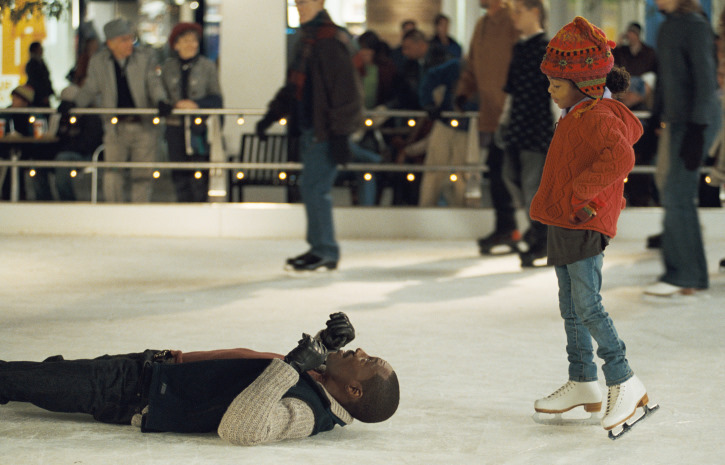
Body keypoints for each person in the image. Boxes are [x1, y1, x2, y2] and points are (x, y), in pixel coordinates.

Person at [0, 313, 400, 446]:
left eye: (367, 361)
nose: (361, 352)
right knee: (37, 374)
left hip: (130, 393)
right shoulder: (317, 380)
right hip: (151, 367)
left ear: (353, 391)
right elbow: (271, 375)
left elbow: (241, 428)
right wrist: (327, 344)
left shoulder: (308, 415)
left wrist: (294, 365)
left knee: (13, 379)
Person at [530, 17, 656, 438]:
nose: (550, 91)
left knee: (588, 305)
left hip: (583, 221)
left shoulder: (598, 115)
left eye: (557, 84)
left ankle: (624, 380)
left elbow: (620, 160)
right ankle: (583, 379)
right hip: (565, 220)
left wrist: (581, 194)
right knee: (569, 304)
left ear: (584, 82)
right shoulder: (576, 112)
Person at [256, 0, 363, 272]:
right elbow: (293, 87)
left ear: (320, 2)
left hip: (323, 131)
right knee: (312, 189)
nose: (299, 6)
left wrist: (339, 135)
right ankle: (320, 248)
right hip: (309, 129)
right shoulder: (307, 38)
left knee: (315, 189)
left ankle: (325, 249)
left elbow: (345, 91)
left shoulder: (329, 40)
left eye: (303, 2)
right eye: (296, 2)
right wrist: (270, 117)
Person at [643, 0, 719, 296]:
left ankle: (685, 274)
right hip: (677, 121)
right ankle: (687, 273)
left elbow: (704, 79)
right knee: (672, 191)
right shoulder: (668, 27)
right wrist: (654, 121)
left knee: (677, 193)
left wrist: (698, 130)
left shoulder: (695, 27)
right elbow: (664, 80)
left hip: (694, 122)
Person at [64, 18, 168, 203]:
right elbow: (90, 87)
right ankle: (114, 212)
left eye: (130, 38)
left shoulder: (144, 58)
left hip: (142, 125)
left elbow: (153, 83)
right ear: (111, 43)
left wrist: (161, 101)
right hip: (115, 126)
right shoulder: (99, 62)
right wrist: (74, 104)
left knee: (143, 174)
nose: (129, 44)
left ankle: (139, 213)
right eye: (124, 40)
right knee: (113, 172)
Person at [454, 0, 520, 254]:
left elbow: (526, 64)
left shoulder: (513, 21)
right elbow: (472, 65)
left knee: (518, 175)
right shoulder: (482, 25)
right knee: (497, 174)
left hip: (513, 114)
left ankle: (534, 232)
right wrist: (463, 92)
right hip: (492, 116)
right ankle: (508, 228)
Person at [499, 0, 555, 267]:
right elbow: (511, 90)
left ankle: (541, 238)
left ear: (535, 12)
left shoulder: (548, 49)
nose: (514, 18)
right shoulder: (519, 47)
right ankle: (539, 231)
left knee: (532, 183)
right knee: (511, 177)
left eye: (518, 12)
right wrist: (505, 120)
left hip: (537, 127)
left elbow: (556, 92)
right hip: (518, 125)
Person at [160, 22, 223, 203]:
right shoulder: (168, 68)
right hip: (175, 128)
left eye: (194, 40)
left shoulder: (207, 66)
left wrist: (195, 104)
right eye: (186, 40)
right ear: (176, 44)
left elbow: (217, 99)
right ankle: (183, 214)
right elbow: (161, 96)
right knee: (179, 174)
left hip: (199, 130)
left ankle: (200, 215)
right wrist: (173, 105)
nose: (191, 44)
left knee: (199, 175)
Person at [53, 85, 104, 201]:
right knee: (38, 163)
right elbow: (58, 136)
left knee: (62, 159)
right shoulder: (64, 116)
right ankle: (45, 199)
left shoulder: (90, 116)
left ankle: (67, 200)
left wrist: (68, 146)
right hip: (69, 151)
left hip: (84, 154)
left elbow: (89, 142)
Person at [612, 22, 657, 112]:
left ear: (638, 35)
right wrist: (617, 45)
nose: (630, 36)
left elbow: (653, 74)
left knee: (644, 82)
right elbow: (610, 61)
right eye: (629, 33)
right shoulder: (621, 51)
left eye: (633, 33)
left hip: (641, 87)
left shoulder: (649, 52)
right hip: (625, 85)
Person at [0, 86, 35, 200]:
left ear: (25, 101)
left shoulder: (32, 115)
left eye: (17, 98)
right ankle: (12, 194)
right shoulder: (6, 113)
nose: (13, 101)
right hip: (6, 149)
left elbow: (35, 135)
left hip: (27, 150)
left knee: (16, 163)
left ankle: (17, 195)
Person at [25, 41, 54, 107]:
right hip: (37, 97)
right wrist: (43, 95)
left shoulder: (42, 63)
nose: (42, 51)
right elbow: (36, 81)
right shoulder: (32, 65)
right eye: (40, 49)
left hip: (43, 95)